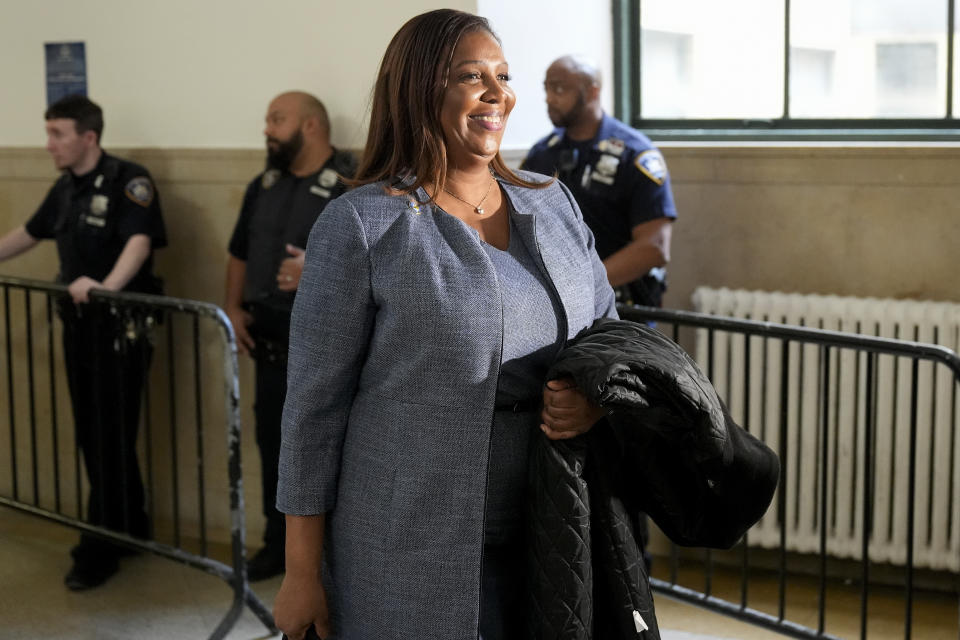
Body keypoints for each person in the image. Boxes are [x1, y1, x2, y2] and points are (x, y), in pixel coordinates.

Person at [272, 9, 615, 640]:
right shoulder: (364, 226)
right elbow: (312, 412)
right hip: (408, 534)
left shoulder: (551, 200)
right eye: (470, 76)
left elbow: (609, 336)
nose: (498, 93)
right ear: (420, 89)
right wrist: (300, 572)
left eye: (503, 75)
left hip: (552, 517)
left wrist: (594, 400)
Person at [0, 94, 166, 590]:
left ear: (88, 137)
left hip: (120, 329)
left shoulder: (128, 180)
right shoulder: (66, 188)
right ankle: (131, 525)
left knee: (108, 436)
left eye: (57, 134)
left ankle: (100, 546)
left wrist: (106, 287)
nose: (48, 143)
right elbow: (29, 233)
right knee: (96, 435)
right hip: (81, 330)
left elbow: (139, 241)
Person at [225, 91, 355, 581]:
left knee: (323, 449)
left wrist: (314, 269)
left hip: (325, 344)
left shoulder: (351, 181)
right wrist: (233, 307)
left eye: (276, 119)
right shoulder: (264, 184)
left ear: (312, 125)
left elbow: (376, 254)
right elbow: (239, 251)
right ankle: (276, 543)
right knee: (272, 444)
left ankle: (328, 557)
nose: (267, 129)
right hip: (268, 341)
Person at [521, 56, 676, 308]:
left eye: (559, 88)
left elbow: (654, 246)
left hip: (621, 309)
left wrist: (583, 286)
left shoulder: (634, 154)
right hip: (557, 309)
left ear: (592, 91)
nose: (549, 98)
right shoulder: (542, 154)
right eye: (546, 88)